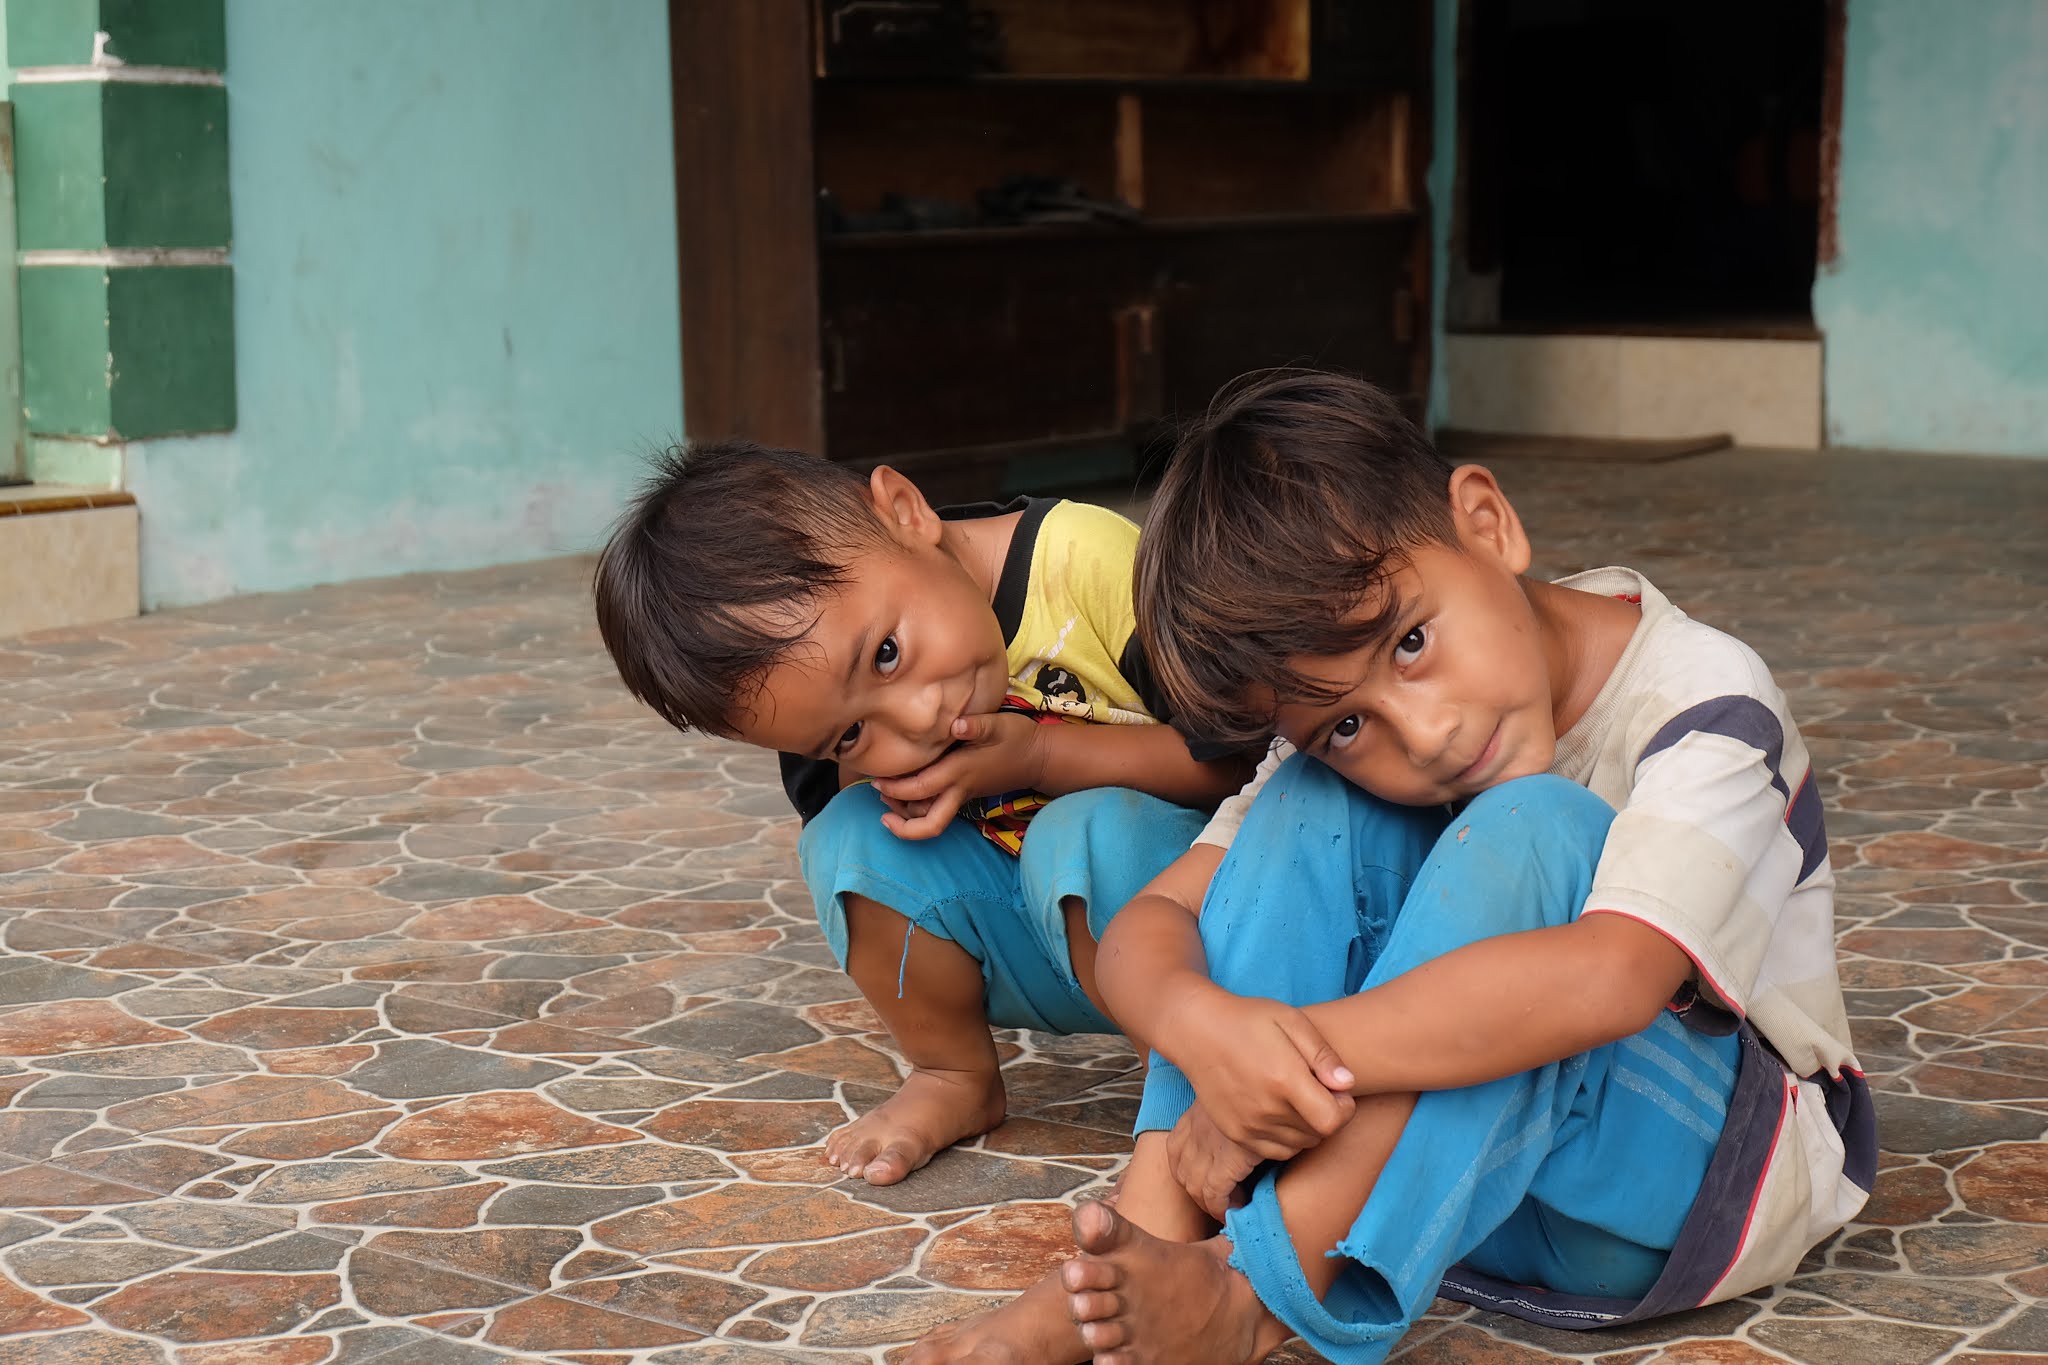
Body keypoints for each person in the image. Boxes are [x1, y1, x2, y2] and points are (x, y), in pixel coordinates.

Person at [908, 371, 1874, 1365]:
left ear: (1486, 524)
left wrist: (1292, 1052)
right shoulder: (1347, 751)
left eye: (1411, 641)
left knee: (1534, 826)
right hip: (1462, 1200)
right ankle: (1150, 1233)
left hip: (1694, 1186)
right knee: (1313, 801)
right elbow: (1152, 926)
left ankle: (1252, 1296)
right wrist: (1213, 1031)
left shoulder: (1704, 696)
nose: (1422, 733)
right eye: (1345, 721)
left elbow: (1612, 979)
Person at [593, 441, 1251, 1188]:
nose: (915, 721)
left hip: (1210, 931)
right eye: (850, 733)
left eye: (885, 655)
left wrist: (1042, 757)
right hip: (1053, 948)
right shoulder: (824, 705)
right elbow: (869, 847)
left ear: (907, 513)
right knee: (849, 838)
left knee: (1084, 831)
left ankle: (1196, 1090)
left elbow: (1252, 762)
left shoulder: (1087, 562)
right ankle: (953, 1074)